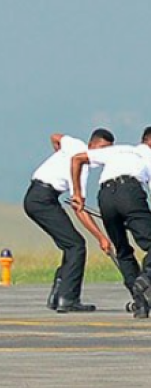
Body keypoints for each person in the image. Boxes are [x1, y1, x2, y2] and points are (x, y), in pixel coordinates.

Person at [70, 126, 151, 319]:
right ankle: (146, 278)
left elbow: (77, 159)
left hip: (105, 197)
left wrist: (77, 193)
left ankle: (141, 304)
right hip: (130, 193)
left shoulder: (119, 149)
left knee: (123, 252)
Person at [24, 129, 115, 313]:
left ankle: (57, 295)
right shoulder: (81, 168)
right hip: (42, 199)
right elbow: (79, 209)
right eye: (101, 148)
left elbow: (55, 137)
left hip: (38, 196)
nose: (102, 154)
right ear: (92, 145)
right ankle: (68, 299)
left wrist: (58, 156)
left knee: (70, 244)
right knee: (76, 246)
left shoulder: (74, 144)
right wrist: (101, 238)